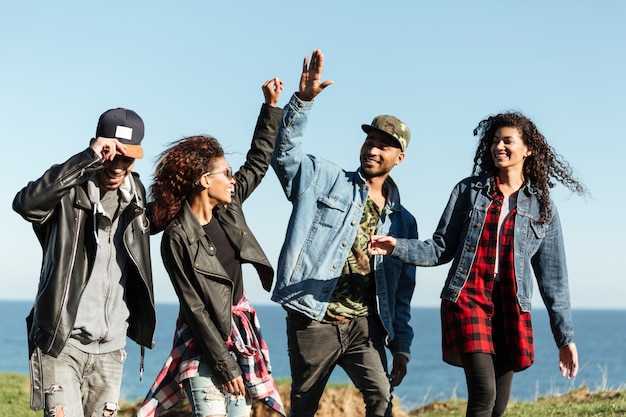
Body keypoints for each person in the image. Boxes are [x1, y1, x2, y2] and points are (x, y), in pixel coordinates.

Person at [369, 112, 585, 417]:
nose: (499, 146)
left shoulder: (541, 207)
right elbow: (440, 248)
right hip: (468, 300)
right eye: (495, 140)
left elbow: (554, 280)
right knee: (484, 393)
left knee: (497, 406)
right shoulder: (469, 192)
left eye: (507, 141)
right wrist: (397, 246)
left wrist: (565, 338)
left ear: (528, 149)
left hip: (511, 306)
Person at [270, 49, 417, 417]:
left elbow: (401, 293)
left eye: (384, 145)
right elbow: (284, 155)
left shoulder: (404, 222)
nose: (372, 149)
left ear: (399, 157)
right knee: (304, 407)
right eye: (369, 141)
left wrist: (401, 345)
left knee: (381, 398)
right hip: (313, 319)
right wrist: (302, 102)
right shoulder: (325, 179)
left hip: (363, 326)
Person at [135, 78, 285, 417]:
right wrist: (225, 364)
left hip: (239, 338)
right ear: (205, 181)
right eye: (226, 173)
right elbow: (195, 308)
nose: (233, 179)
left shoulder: (230, 207)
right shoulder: (177, 238)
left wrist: (271, 107)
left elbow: (259, 161)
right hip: (202, 342)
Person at [13, 108, 156, 417]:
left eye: (127, 159)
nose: (117, 166)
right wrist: (86, 159)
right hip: (60, 344)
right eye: (110, 155)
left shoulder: (137, 197)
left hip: (111, 350)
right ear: (96, 145)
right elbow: (25, 205)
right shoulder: (66, 190)